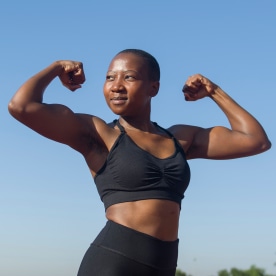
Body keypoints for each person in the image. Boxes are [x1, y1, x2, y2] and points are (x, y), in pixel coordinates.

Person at [8, 49, 271, 276]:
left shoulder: (180, 138)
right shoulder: (99, 134)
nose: (116, 85)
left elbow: (255, 140)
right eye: (110, 77)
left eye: (129, 77)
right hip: (113, 263)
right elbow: (21, 106)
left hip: (164, 266)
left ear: (153, 87)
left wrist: (214, 91)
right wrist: (56, 68)